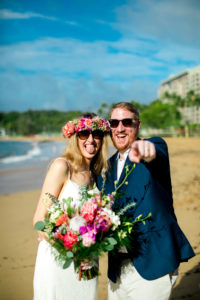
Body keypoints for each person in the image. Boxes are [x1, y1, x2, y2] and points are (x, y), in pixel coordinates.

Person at [100, 102, 195, 300]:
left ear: (138, 125)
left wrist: (144, 148)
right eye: (114, 123)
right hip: (117, 269)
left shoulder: (154, 147)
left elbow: (154, 152)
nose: (120, 128)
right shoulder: (106, 168)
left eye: (127, 122)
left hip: (153, 263)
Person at [33, 113, 110, 300]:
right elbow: (38, 220)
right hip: (58, 260)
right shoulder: (62, 167)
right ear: (75, 137)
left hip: (88, 262)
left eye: (97, 134)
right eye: (84, 133)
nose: (91, 140)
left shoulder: (96, 175)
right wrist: (71, 251)